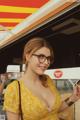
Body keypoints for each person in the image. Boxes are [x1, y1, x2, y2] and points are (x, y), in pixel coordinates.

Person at [3, 37, 80, 120]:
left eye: (48, 58)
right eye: (41, 56)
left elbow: (55, 110)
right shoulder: (13, 89)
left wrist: (73, 98)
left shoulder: (48, 80)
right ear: (28, 56)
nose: (46, 62)